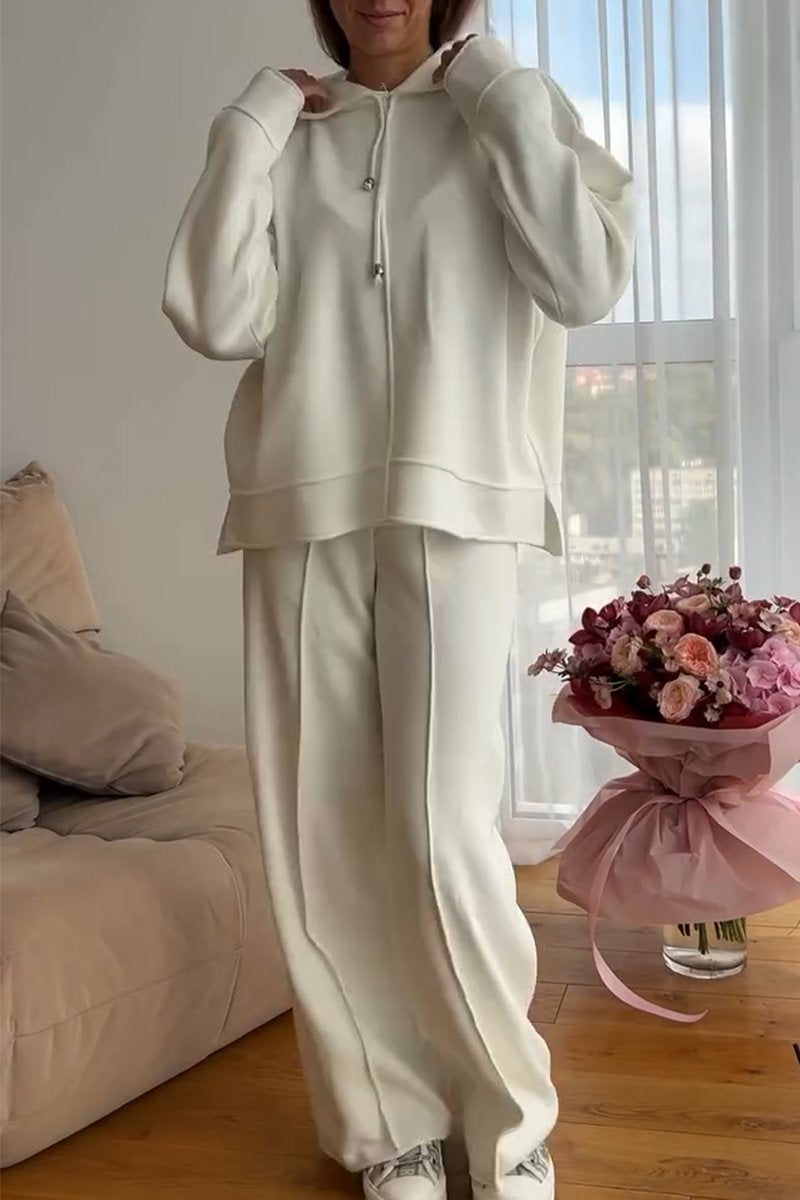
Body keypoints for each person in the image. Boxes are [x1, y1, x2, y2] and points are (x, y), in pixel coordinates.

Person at [163, 2, 634, 1198]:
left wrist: (499, 97)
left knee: (439, 830)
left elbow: (582, 281)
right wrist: (247, 127)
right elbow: (215, 316)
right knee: (319, 833)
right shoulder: (290, 132)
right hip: (297, 505)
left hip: (455, 500)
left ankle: (509, 1131)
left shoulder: (503, 110)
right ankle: (390, 1131)